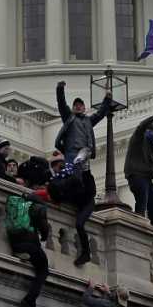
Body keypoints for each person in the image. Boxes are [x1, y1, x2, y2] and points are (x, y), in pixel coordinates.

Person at [55, 81, 112, 266]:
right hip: (72, 152)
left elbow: (101, 114)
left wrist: (107, 99)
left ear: (84, 107)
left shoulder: (88, 120)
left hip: (84, 152)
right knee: (74, 175)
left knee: (81, 173)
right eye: (76, 105)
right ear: (73, 108)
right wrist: (60, 89)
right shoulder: (68, 118)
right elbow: (61, 104)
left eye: (81, 105)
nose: (78, 107)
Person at [6, 192, 50, 307]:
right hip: (29, 244)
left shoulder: (17, 204)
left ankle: (21, 253)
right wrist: (44, 236)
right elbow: (44, 229)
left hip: (14, 242)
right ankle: (30, 299)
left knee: (33, 253)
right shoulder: (39, 208)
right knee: (43, 269)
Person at [124, 106, 153, 227]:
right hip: (137, 175)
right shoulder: (139, 137)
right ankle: (138, 225)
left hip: (145, 177)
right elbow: (141, 127)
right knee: (142, 200)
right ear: (150, 132)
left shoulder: (149, 146)